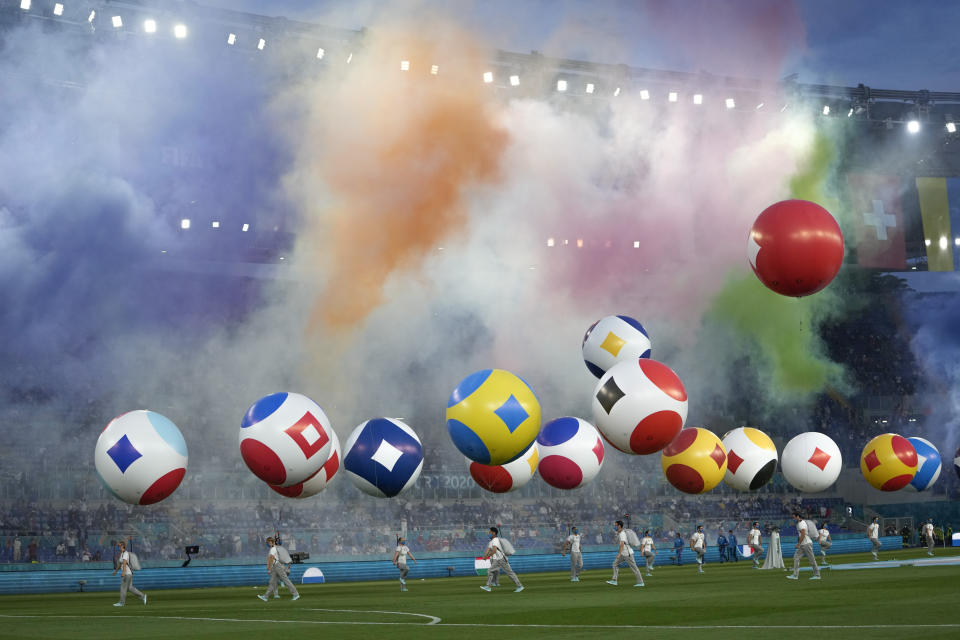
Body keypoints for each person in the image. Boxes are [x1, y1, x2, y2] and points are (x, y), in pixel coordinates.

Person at [480, 527, 523, 592]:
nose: (489, 533)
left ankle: (520, 586)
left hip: (501, 559)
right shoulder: (492, 541)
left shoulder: (495, 540)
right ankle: (488, 586)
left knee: (509, 573)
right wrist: (485, 556)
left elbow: (494, 550)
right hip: (499, 559)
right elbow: (488, 549)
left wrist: (486, 556)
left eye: (490, 532)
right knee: (491, 571)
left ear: (494, 533)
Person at [258, 536, 300, 601]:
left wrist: (269, 568)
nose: (268, 544)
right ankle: (266, 596)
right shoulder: (273, 548)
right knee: (272, 582)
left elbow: (271, 559)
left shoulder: (273, 549)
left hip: (277, 566)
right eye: (267, 542)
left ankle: (296, 594)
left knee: (286, 580)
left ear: (272, 542)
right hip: (275, 566)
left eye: (269, 542)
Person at [606, 520, 644, 587]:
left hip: (627, 554)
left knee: (634, 568)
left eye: (616, 525)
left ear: (619, 526)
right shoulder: (620, 533)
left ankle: (641, 582)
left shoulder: (622, 534)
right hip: (623, 554)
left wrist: (619, 554)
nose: (615, 526)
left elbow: (622, 544)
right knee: (615, 564)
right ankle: (614, 580)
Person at [112, 540, 146, 606]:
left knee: (123, 588)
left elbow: (124, 563)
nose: (118, 547)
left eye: (119, 546)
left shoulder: (125, 553)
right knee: (130, 588)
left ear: (122, 546)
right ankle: (143, 596)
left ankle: (121, 603)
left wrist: (123, 572)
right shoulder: (122, 554)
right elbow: (120, 564)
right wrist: (115, 571)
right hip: (129, 573)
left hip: (127, 573)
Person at [787, 512, 820, 580]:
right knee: (796, 557)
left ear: (798, 516)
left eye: (794, 517)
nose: (793, 519)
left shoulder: (801, 524)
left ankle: (817, 575)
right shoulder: (800, 523)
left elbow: (803, 534)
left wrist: (798, 544)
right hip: (803, 544)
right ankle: (795, 575)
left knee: (812, 560)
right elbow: (801, 535)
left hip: (806, 544)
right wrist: (799, 543)